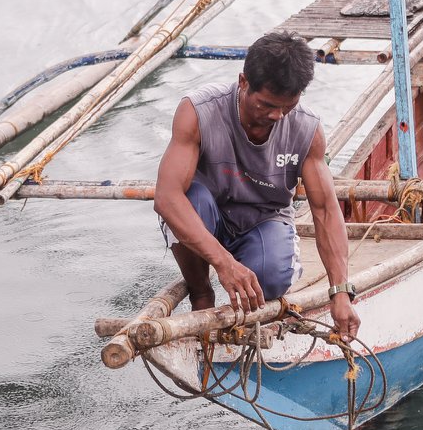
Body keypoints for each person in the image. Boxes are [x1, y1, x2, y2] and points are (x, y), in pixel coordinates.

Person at [152, 31, 361, 339]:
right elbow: (167, 198)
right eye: (266, 105)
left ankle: (247, 290)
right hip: (209, 213)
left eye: (287, 106)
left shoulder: (307, 129)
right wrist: (224, 264)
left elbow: (326, 210)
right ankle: (201, 293)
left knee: (272, 281)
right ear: (243, 82)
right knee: (189, 201)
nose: (276, 115)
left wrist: (340, 293)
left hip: (264, 218)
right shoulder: (199, 112)